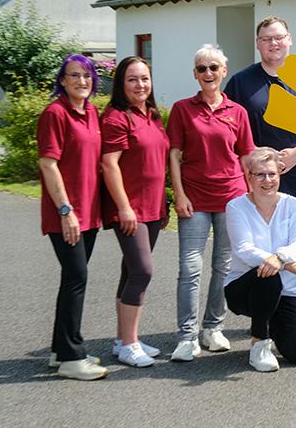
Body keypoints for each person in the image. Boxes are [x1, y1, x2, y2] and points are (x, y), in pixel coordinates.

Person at [224, 16, 296, 331]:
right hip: (262, 179)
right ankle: (266, 306)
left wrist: (295, 155)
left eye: (279, 37)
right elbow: (233, 127)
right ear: (258, 44)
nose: (274, 43)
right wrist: (263, 161)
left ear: (290, 40)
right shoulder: (242, 82)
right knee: (264, 242)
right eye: (267, 38)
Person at [167, 44, 255, 362]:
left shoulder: (237, 112)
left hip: (231, 199)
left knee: (224, 266)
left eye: (213, 68)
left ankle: (212, 328)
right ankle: (187, 336)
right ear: (195, 74)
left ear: (223, 72)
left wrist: (251, 197)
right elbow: (174, 156)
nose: (208, 73)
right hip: (195, 199)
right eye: (202, 68)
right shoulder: (182, 109)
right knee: (190, 269)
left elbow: (246, 157)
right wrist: (179, 194)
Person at [38, 54, 107, 380]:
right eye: (74, 75)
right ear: (62, 80)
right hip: (66, 214)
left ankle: (59, 350)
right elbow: (48, 165)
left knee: (72, 279)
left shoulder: (91, 111)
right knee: (77, 277)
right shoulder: (55, 114)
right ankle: (70, 357)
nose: (82, 81)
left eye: (87, 75)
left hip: (90, 213)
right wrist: (66, 211)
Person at [100, 56, 169, 367]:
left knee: (130, 271)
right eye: (132, 79)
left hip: (153, 206)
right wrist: (124, 207)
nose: (140, 85)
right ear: (121, 84)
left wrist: (164, 202)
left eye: (144, 78)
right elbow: (109, 164)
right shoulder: (116, 118)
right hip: (130, 209)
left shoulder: (152, 116)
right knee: (142, 271)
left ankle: (123, 339)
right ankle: (129, 344)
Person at [224, 148, 296, 372]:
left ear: (280, 175)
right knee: (268, 276)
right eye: (260, 175)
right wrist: (288, 264)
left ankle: (271, 322)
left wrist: (280, 258)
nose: (267, 180)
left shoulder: (293, 205)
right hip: (244, 289)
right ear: (249, 177)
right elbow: (244, 249)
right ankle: (259, 343)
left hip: (287, 291)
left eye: (272, 174)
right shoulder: (236, 207)